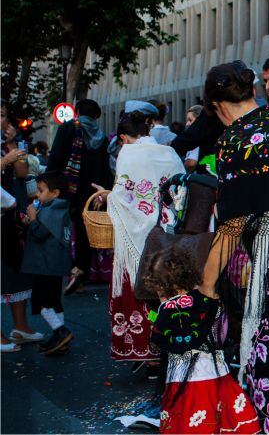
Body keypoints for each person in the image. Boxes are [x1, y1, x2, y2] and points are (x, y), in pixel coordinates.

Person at [197, 60, 269, 427]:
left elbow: (231, 226)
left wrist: (207, 286)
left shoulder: (234, 141)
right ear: (253, 91)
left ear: (218, 107)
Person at [142, 247, 259, 434]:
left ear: (162, 287)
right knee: (223, 419)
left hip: (182, 379)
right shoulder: (208, 301)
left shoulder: (165, 311)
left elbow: (158, 340)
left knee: (190, 421)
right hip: (217, 373)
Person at [98, 111, 184, 363]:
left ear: (124, 137)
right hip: (167, 232)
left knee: (138, 289)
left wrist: (107, 197)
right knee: (167, 290)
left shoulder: (128, 153)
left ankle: (146, 352)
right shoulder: (168, 152)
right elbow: (180, 188)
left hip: (136, 236)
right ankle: (168, 348)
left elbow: (123, 194)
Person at [47, 99, 113, 295]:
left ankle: (66, 272)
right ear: (96, 116)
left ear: (77, 112)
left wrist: (49, 185)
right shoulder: (101, 137)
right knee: (84, 233)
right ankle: (80, 273)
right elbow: (106, 167)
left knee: (63, 230)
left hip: (67, 188)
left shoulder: (67, 129)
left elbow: (56, 157)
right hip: (91, 191)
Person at [1, 103, 42, 352]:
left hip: (11, 215)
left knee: (16, 267)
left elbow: (22, 172)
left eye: (3, 115)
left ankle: (20, 327)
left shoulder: (9, 143)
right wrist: (4, 160)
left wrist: (13, 146)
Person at [20, 171, 74, 355]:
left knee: (41, 303)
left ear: (55, 193)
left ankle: (61, 331)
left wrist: (33, 217)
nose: (37, 194)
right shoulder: (61, 208)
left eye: (41, 191)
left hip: (44, 264)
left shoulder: (51, 210)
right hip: (55, 264)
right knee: (55, 302)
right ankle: (59, 339)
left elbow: (39, 234)